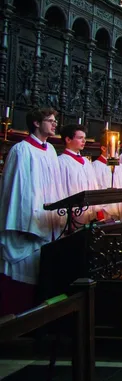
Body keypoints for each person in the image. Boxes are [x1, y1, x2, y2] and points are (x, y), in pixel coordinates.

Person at [0, 108, 63, 315]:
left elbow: (56, 187)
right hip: (27, 225)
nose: (55, 124)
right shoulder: (22, 150)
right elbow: (18, 191)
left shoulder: (51, 150)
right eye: (50, 121)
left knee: (42, 275)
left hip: (47, 222)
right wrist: (25, 224)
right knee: (23, 275)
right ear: (36, 123)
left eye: (55, 121)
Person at [56, 124, 107, 224]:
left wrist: (98, 209)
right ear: (68, 139)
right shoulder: (61, 161)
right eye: (80, 138)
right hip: (73, 213)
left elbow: (94, 186)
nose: (84, 141)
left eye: (84, 138)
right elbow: (61, 189)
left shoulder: (86, 161)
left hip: (90, 212)